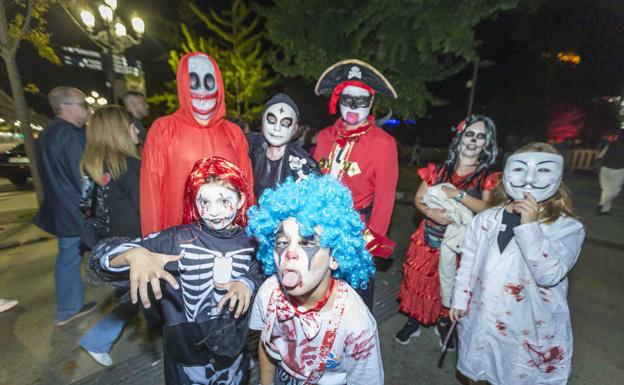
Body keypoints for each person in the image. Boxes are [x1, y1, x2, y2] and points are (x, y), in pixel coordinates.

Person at [89, 157, 263, 384]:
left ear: (241, 200)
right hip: (186, 350)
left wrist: (247, 282)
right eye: (204, 202)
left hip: (233, 347)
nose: (212, 212)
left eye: (223, 201)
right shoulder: (176, 239)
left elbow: (263, 270)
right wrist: (132, 254)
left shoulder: (251, 242)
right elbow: (101, 258)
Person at [450, 142, 585, 385]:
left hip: (527, 328)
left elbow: (549, 274)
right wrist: (460, 299)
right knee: (481, 369)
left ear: (559, 177)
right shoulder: (485, 219)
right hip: (483, 315)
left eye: (543, 170)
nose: (530, 178)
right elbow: (469, 262)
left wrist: (530, 226)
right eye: (520, 169)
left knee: (515, 375)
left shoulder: (567, 228)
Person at [248, 175, 383, 385]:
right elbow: (267, 347)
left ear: (335, 256)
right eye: (282, 241)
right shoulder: (269, 292)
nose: (289, 253)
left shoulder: (356, 324)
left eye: (306, 242)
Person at [396, 115, 500, 349]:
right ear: (460, 138)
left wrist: (459, 196)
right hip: (427, 238)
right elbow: (419, 198)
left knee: (449, 284)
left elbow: (486, 208)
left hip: (460, 243)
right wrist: (431, 213)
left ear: (486, 143)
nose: (473, 140)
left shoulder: (487, 177)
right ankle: (414, 320)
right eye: (469, 134)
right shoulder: (439, 170)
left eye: (480, 136)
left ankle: (444, 323)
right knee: (418, 281)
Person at [313, 59, 399, 309]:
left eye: (361, 101)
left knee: (353, 305)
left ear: (371, 103)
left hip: (357, 234)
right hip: (321, 231)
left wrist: (368, 246)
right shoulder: (324, 137)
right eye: (347, 99)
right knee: (320, 298)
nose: (353, 107)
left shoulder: (383, 143)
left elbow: (385, 200)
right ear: (338, 100)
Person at [141, 52, 254, 236]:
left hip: (227, 241)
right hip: (178, 242)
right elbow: (151, 195)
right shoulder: (163, 129)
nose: (202, 91)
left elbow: (246, 190)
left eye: (208, 81)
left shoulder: (234, 133)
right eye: (193, 81)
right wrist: (152, 244)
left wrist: (249, 237)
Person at [77, 106, 142, 367]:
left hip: (107, 247)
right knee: (140, 295)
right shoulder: (129, 165)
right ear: (119, 131)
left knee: (138, 295)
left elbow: (86, 207)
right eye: (131, 125)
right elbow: (145, 209)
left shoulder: (92, 165)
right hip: (134, 247)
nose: (136, 130)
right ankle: (96, 340)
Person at [35, 86, 97, 325]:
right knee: (110, 253)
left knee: (68, 257)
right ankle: (126, 302)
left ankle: (67, 308)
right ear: (65, 107)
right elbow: (82, 177)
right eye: (83, 104)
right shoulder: (70, 135)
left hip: (62, 209)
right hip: (77, 211)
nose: (88, 109)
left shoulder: (48, 133)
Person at [247, 93, 319, 198]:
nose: (277, 128)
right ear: (262, 121)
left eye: (285, 123)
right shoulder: (247, 147)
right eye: (271, 121)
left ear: (295, 129)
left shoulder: (305, 166)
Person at [595, 127, 624, 215]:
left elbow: (599, 156)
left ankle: (605, 210)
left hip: (605, 168)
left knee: (606, 189)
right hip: (618, 170)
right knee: (615, 191)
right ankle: (601, 204)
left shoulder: (610, 144)